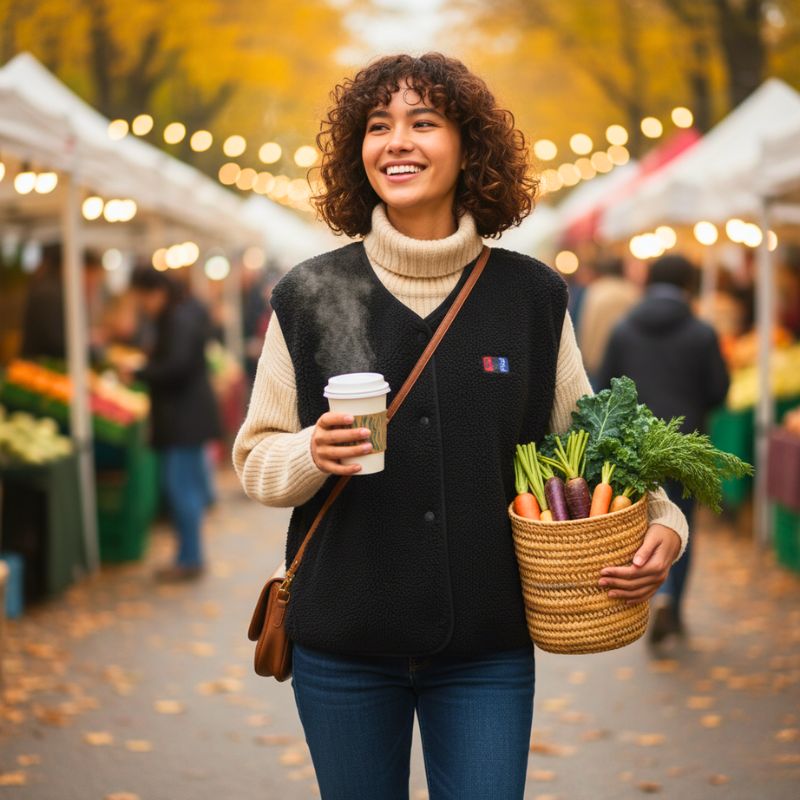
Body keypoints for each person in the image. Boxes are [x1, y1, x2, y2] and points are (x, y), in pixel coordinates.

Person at [233, 53, 689, 800]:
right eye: (378, 126)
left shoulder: (530, 296)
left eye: (423, 122)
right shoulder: (309, 293)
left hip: (486, 643)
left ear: (468, 145)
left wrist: (665, 519)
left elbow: (596, 436)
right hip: (342, 640)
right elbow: (255, 457)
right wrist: (311, 452)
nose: (396, 142)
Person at [596, 254, 729, 644]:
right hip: (688, 446)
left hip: (634, 450)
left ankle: (650, 598)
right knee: (681, 525)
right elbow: (719, 390)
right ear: (688, 285)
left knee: (640, 524)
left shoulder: (623, 329)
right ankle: (673, 603)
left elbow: (605, 387)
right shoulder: (703, 333)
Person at [129, 267, 220, 582]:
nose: (142, 303)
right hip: (186, 418)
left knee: (181, 490)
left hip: (184, 419)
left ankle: (190, 558)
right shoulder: (178, 317)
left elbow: (176, 367)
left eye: (143, 296)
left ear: (156, 293)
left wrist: (141, 372)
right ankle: (188, 556)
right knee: (186, 488)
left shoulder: (177, 320)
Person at [576, 255, 641, 387]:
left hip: (597, 360)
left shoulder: (595, 291)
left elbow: (587, 327)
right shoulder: (632, 291)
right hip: (628, 360)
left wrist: (585, 357)